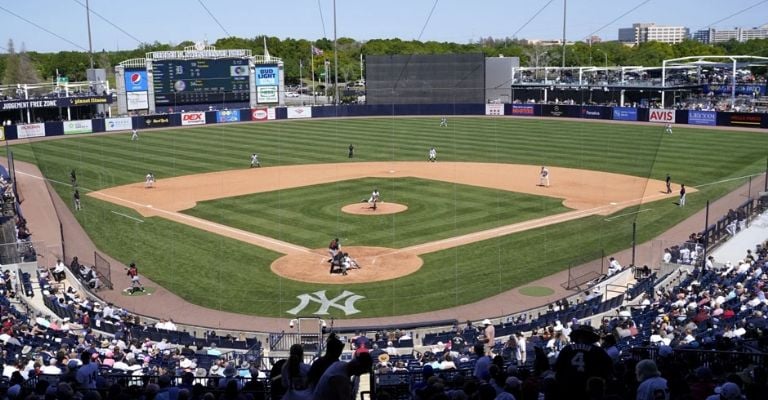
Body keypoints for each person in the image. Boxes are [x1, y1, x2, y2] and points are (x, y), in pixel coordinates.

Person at [554, 325, 613, 399]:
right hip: (590, 390)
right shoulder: (597, 350)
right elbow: (609, 368)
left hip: (570, 388)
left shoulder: (567, 349)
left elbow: (557, 368)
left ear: (577, 337)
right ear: (591, 338)